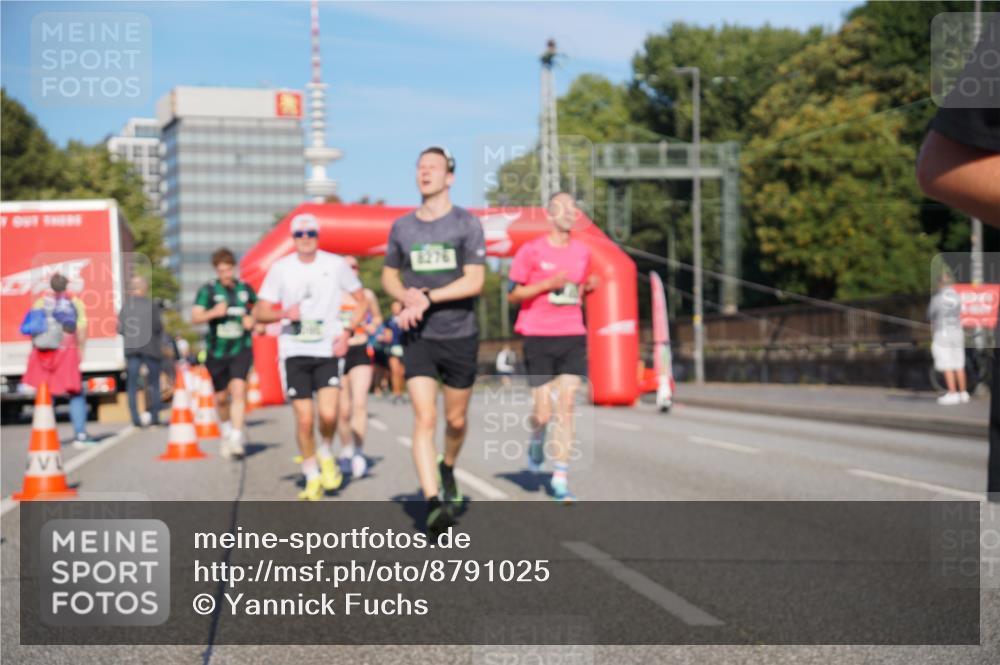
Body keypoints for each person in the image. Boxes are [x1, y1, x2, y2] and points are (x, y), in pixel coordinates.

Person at [381, 146, 486, 535]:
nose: (425, 172)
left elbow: (474, 280)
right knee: (425, 418)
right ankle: (433, 502)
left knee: (455, 420)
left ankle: (447, 467)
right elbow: (390, 275)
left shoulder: (466, 224)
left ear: (449, 177)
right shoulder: (403, 227)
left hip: (459, 333)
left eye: (433, 167)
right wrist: (404, 293)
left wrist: (428, 297)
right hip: (418, 335)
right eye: (420, 166)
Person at [916, 15, 999, 497]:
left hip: (949, 332)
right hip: (949, 333)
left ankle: (957, 389)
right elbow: (946, 165)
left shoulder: (946, 297)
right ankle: (957, 390)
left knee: (948, 356)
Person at [254, 214, 367, 500]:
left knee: (329, 414)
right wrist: (282, 313)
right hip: (294, 350)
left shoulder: (336, 264)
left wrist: (347, 330)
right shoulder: (281, 268)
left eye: (311, 233)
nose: (306, 238)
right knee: (305, 419)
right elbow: (260, 311)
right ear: (292, 238)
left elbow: (361, 299)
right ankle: (311, 472)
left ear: (318, 235)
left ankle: (326, 450)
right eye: (300, 234)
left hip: (327, 348)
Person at [508, 192, 599, 503]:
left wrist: (586, 287)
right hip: (538, 335)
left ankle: (560, 476)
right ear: (549, 214)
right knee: (543, 413)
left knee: (568, 407)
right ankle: (536, 439)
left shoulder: (582, 252)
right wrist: (547, 285)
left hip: (572, 333)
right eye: (563, 207)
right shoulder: (531, 251)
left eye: (574, 206)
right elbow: (513, 295)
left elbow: (575, 292)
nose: (570, 211)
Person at [191, 248, 258, 460]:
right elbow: (195, 317)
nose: (226, 275)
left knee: (239, 390)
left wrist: (254, 322)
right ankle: (227, 429)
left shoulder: (245, 290)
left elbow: (258, 312)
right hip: (217, 351)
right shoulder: (208, 291)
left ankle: (237, 437)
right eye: (222, 271)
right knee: (221, 398)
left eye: (229, 270)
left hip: (241, 348)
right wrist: (213, 312)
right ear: (216, 271)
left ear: (233, 268)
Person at [22, 273, 97, 448]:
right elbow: (81, 329)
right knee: (75, 393)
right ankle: (80, 434)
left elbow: (33, 329)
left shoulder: (40, 303)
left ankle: (46, 437)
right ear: (66, 285)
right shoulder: (74, 302)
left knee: (45, 395)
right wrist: (81, 352)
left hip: (43, 353)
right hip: (66, 352)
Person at [336, 256, 383, 479]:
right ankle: (345, 448)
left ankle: (358, 452)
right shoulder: (332, 294)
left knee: (360, 404)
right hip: (338, 352)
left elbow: (378, 319)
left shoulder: (367, 295)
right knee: (343, 409)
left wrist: (370, 325)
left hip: (360, 349)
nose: (350, 270)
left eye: (354, 266)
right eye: (346, 267)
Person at [118, 275, 164, 427]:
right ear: (145, 289)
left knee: (132, 385)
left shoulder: (126, 307)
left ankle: (135, 419)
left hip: (132, 350)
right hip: (151, 349)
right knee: (154, 384)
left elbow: (120, 329)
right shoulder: (152, 305)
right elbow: (158, 327)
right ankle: (155, 417)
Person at [927, 273, 968, 405]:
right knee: (959, 363)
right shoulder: (957, 297)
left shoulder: (938, 298)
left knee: (947, 363)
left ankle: (952, 393)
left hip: (943, 333)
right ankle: (963, 393)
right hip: (957, 331)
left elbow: (930, 315)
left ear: (940, 283)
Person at [386, 301, 406, 403]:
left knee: (402, 372)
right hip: (393, 347)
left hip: (404, 347)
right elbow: (387, 333)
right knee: (394, 370)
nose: (395, 309)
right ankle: (395, 392)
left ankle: (400, 392)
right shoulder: (389, 320)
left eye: (397, 307)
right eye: (393, 307)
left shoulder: (407, 317)